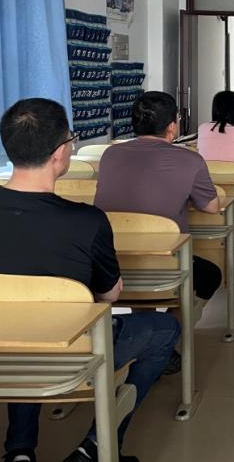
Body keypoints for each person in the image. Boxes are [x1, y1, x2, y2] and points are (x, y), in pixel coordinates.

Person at [0, 98, 180, 462]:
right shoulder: (86, 220)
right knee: (163, 330)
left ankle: (19, 452)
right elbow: (109, 296)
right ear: (60, 153)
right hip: (66, 355)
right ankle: (99, 444)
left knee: (20, 327)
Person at [95, 92, 223, 356]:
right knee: (210, 275)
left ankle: (147, 331)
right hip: (165, 264)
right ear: (172, 126)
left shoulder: (110, 154)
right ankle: (168, 334)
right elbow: (211, 207)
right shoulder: (190, 159)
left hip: (109, 264)